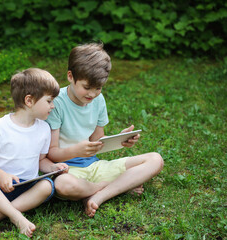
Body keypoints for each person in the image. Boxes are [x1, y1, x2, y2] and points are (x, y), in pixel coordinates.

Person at [46, 43, 164, 218]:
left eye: (98, 88)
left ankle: (98, 196)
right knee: (63, 185)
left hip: (94, 166)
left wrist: (119, 140)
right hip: (67, 170)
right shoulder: (56, 104)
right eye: (87, 87)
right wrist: (76, 150)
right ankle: (115, 187)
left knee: (155, 159)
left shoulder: (98, 100)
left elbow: (98, 140)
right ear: (70, 76)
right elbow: (51, 153)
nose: (92, 94)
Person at [0, 68, 68, 238]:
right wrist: (1, 175)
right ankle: (17, 217)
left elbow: (41, 160)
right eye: (49, 101)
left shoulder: (44, 128)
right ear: (29, 100)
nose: (53, 106)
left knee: (47, 185)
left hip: (27, 189)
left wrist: (53, 167)